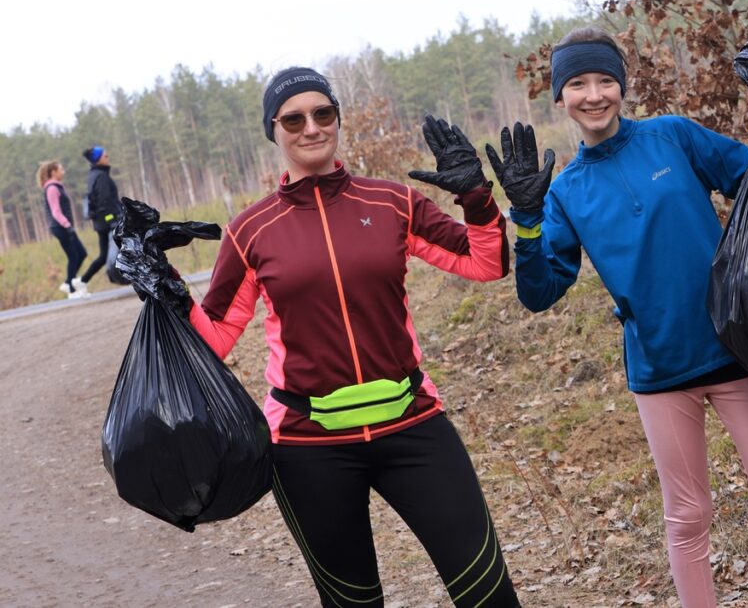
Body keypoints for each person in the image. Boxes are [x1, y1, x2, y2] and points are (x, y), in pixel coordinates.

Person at [486, 27, 748, 607]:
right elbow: (541, 290)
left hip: (735, 350)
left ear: (622, 87)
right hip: (659, 372)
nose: (594, 94)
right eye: (578, 83)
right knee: (687, 516)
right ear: (560, 97)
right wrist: (526, 220)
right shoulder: (566, 191)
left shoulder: (672, 137)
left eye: (605, 80)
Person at [185, 67, 519, 607]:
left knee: (488, 594)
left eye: (324, 114)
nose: (310, 128)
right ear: (273, 130)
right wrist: (164, 287)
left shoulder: (392, 203)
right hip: (306, 446)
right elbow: (215, 337)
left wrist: (479, 199)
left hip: (413, 427)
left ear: (338, 120)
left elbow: (488, 263)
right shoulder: (251, 230)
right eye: (293, 118)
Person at [38, 160, 89, 299]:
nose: (63, 171)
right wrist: (67, 225)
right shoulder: (52, 188)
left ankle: (69, 284)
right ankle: (71, 289)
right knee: (74, 256)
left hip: (64, 226)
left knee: (81, 253)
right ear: (53, 172)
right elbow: (56, 211)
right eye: (61, 169)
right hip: (60, 227)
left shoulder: (57, 187)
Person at [79, 146, 122, 286]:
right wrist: (113, 219)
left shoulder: (93, 175)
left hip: (100, 222)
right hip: (108, 222)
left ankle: (82, 281)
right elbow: (105, 201)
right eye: (105, 156)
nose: (107, 156)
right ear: (98, 160)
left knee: (103, 256)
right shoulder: (101, 176)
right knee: (128, 249)